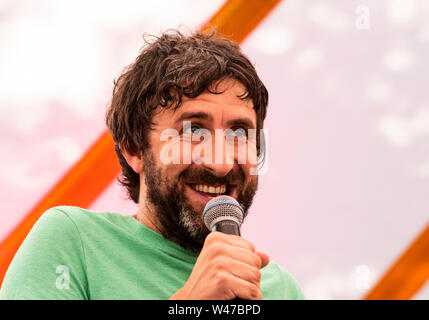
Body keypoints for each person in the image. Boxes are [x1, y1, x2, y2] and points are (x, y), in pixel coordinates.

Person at [0, 30, 304, 300]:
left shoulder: (281, 289)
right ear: (135, 149)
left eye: (239, 133)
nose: (221, 164)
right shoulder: (74, 240)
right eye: (194, 131)